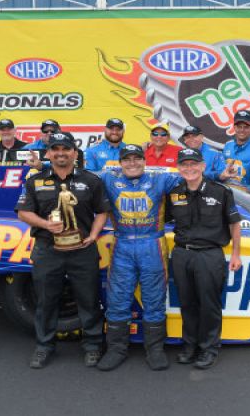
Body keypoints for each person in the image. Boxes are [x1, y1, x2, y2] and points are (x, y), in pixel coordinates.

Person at [15, 132, 110, 369]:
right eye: (55, 149)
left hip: (82, 249)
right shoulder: (35, 180)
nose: (60, 153)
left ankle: (92, 345)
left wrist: (94, 235)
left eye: (65, 149)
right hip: (48, 250)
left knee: (89, 299)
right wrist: (46, 224)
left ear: (74, 153)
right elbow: (22, 212)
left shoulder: (91, 180)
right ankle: (44, 345)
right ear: (48, 153)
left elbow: (103, 211)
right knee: (46, 300)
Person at [96, 144, 182, 372]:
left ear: (144, 161)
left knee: (154, 298)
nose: (132, 163)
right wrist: (39, 166)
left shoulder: (160, 179)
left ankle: (155, 349)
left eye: (137, 159)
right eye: (127, 159)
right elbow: (77, 176)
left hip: (152, 243)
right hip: (122, 244)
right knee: (117, 299)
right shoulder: (107, 178)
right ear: (120, 162)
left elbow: (191, 175)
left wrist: (221, 175)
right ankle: (116, 349)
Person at [167, 147, 242, 370]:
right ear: (179, 168)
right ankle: (190, 346)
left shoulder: (220, 192)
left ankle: (209, 349)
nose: (189, 168)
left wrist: (236, 254)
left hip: (209, 254)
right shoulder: (174, 193)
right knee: (187, 303)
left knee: (209, 304)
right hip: (182, 254)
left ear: (202, 166)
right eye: (184, 164)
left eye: (193, 164)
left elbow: (234, 224)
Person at [222, 110, 250, 187]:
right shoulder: (228, 145)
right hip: (227, 190)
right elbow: (222, 171)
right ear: (234, 127)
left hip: (245, 195)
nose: (242, 130)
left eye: (246, 127)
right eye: (239, 126)